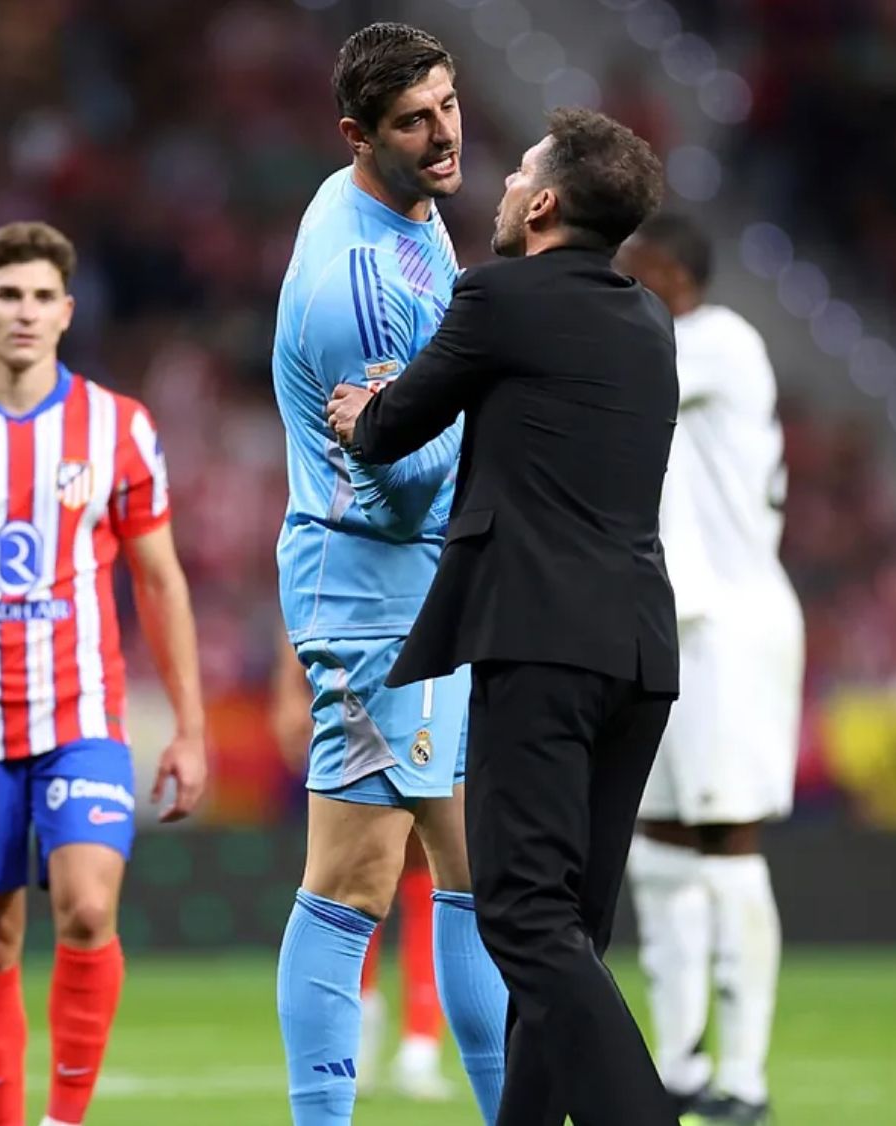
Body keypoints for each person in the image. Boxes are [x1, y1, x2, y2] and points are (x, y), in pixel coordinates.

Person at [330, 107, 682, 1126]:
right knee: (568, 929)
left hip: (540, 642)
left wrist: (364, 413)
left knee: (522, 918)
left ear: (541, 202)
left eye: (518, 169)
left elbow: (395, 426)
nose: (497, 183)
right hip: (637, 652)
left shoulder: (499, 296)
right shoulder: (648, 317)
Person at [0, 221, 209, 1126]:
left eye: (41, 297)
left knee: (89, 911)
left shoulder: (119, 427)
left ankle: (64, 1121)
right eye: (8, 295)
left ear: (66, 313)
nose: (24, 311)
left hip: (83, 717)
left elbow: (160, 579)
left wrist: (190, 727)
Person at [270, 22, 509, 1126]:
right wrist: (499, 409)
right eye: (415, 120)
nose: (445, 133)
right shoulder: (360, 281)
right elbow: (408, 482)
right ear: (356, 134)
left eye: (450, 105)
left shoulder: (406, 204)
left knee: (392, 874)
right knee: (417, 872)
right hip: (379, 596)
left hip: (399, 588)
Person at [616, 213, 803, 1125]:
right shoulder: (672, 343)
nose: (621, 282)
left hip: (732, 623)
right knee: (660, 842)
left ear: (673, 275)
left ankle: (748, 1076)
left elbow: (616, 371)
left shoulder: (720, 342)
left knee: (728, 835)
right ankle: (681, 1063)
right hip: (672, 620)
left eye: (633, 269)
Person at [269, 626, 450, 1101]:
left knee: (429, 869)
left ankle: (419, 1043)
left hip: (431, 691)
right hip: (357, 693)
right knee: (357, 875)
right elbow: (311, 597)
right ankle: (362, 1033)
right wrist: (289, 691)